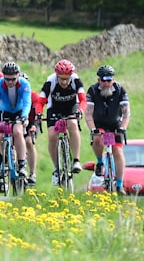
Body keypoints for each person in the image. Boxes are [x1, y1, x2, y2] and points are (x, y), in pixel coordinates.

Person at [85, 64, 132, 193]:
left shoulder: (120, 90)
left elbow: (126, 113)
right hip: (99, 123)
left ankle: (119, 184)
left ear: (113, 80)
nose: (106, 83)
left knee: (117, 151)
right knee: (98, 138)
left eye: (109, 80)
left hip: (115, 123)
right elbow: (88, 113)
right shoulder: (93, 91)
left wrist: (123, 127)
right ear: (98, 80)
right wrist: (93, 129)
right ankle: (100, 162)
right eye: (103, 80)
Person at [0, 61, 33, 179]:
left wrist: (25, 116)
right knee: (0, 136)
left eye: (13, 79)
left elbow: (27, 103)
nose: (10, 82)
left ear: (18, 76)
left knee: (17, 132)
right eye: (7, 79)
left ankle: (21, 164)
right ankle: (6, 158)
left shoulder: (25, 84)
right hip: (4, 111)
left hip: (19, 111)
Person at [41, 59, 87, 186]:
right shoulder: (50, 81)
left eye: (67, 79)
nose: (64, 82)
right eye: (61, 78)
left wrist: (80, 111)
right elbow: (41, 101)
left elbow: (83, 100)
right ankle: (56, 168)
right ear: (57, 76)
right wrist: (39, 113)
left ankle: (76, 160)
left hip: (71, 107)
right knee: (52, 135)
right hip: (54, 108)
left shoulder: (76, 80)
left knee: (72, 124)